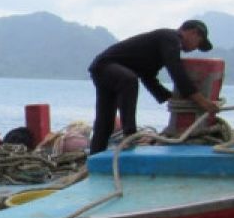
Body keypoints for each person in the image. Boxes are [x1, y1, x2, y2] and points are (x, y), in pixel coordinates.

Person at [88, 19, 221, 154]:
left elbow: (148, 76)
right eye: (198, 43)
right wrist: (202, 101)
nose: (195, 48)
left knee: (105, 122)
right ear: (194, 33)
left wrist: (170, 97)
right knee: (129, 81)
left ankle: (94, 156)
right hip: (107, 66)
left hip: (101, 68)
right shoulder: (171, 38)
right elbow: (176, 71)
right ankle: (129, 134)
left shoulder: (163, 45)